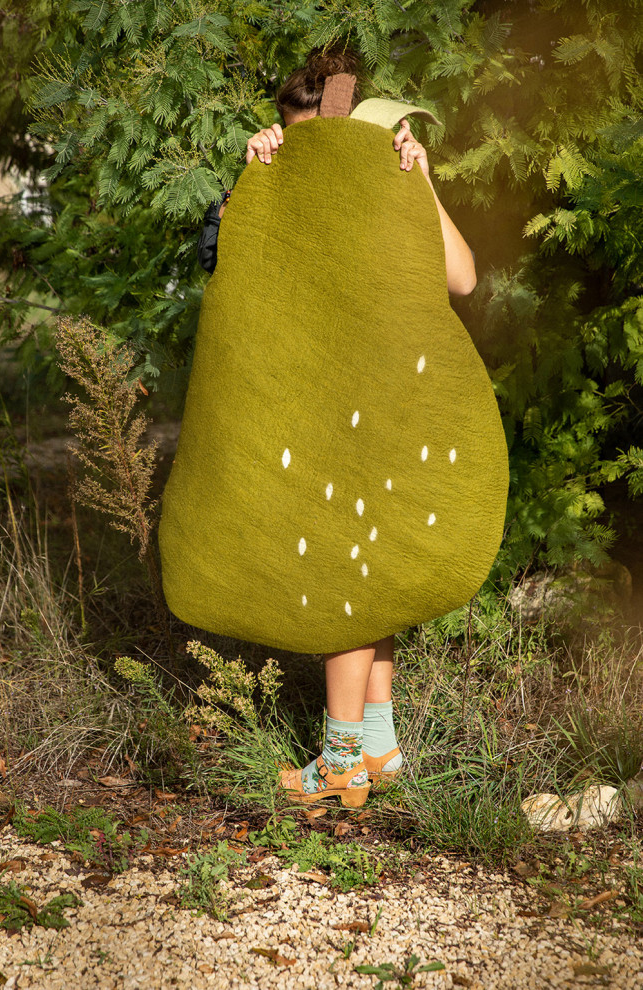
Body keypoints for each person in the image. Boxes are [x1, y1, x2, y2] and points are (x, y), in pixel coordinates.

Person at [197, 49, 477, 807]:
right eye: (291, 142)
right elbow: (223, 265)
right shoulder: (284, 182)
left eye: (310, 141)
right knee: (368, 575)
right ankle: (378, 750)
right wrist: (256, 179)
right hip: (329, 406)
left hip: (378, 408)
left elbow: (462, 278)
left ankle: (342, 757)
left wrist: (417, 177)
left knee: (343, 579)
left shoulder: (392, 176)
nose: (302, 156)